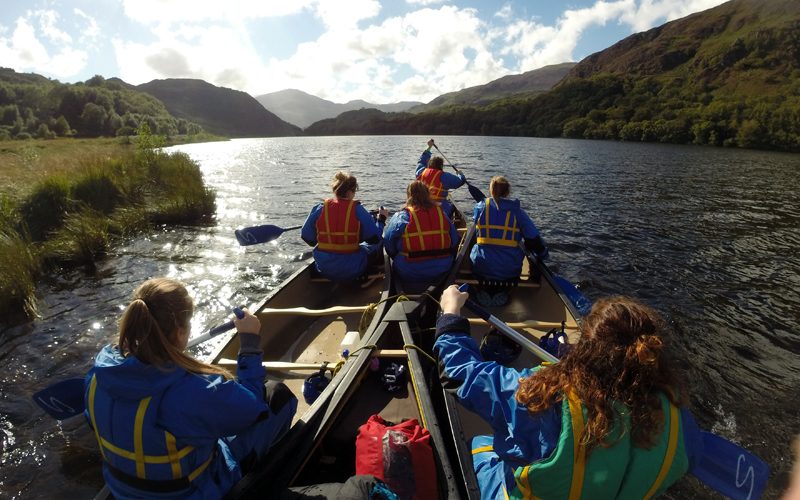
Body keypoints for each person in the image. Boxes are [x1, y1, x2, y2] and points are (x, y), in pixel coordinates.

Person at [434, 285, 703, 499]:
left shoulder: (544, 400)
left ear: (586, 348)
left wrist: (450, 313)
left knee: (479, 444)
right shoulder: (680, 421)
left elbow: (460, 373)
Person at [84, 278, 297, 499]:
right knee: (276, 394)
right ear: (179, 332)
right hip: (195, 492)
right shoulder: (191, 391)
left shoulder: (97, 376)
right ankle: (266, 479)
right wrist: (249, 343)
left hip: (126, 491)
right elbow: (253, 410)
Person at [301, 171, 388, 281]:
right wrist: (381, 220)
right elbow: (374, 238)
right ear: (350, 191)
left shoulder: (320, 208)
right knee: (379, 241)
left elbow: (308, 239)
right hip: (353, 268)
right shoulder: (357, 209)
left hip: (324, 268)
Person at [383, 181, 460, 292]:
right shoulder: (441, 214)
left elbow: (388, 243)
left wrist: (398, 255)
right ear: (427, 195)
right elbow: (454, 241)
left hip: (409, 270)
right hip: (442, 268)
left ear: (409, 196)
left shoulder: (402, 216)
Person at [470, 175, 549, 282]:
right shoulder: (518, 213)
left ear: (491, 190)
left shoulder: (479, 208)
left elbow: (476, 226)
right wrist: (543, 255)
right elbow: (533, 239)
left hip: (481, 267)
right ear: (507, 193)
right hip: (509, 272)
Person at [415, 138, 466, 218]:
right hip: (440, 209)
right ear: (441, 166)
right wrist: (460, 174)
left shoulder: (421, 172)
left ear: (429, 164)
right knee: (452, 207)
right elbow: (460, 182)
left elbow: (421, 161)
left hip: (421, 206)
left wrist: (429, 147)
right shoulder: (444, 176)